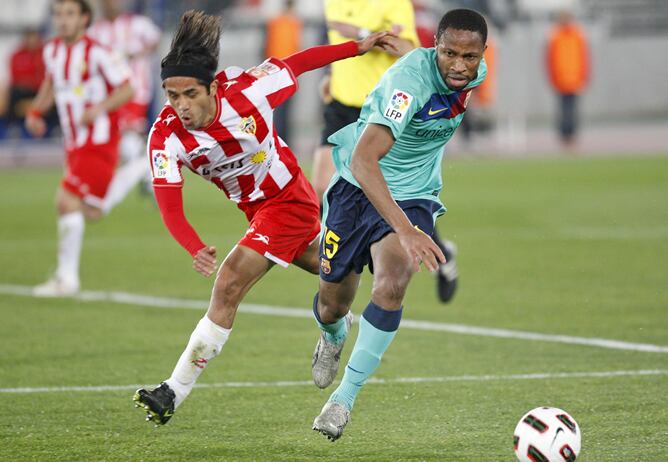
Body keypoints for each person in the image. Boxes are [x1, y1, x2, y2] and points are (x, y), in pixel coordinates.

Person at [132, 10, 396, 426]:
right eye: (171, 95)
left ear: (213, 87)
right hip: (255, 208)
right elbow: (168, 200)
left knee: (230, 280)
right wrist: (192, 245)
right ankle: (336, 323)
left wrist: (355, 48)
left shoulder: (248, 91)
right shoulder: (165, 137)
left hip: (289, 198)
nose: (181, 105)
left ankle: (172, 390)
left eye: (190, 94)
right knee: (329, 266)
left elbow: (300, 62)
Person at [310, 9, 488, 441]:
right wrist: (406, 231)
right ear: (437, 49)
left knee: (393, 282)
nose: (460, 66)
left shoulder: (474, 72)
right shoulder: (407, 88)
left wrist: (408, 227)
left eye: (469, 55)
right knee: (332, 303)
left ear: (483, 53)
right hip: (357, 187)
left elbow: (428, 56)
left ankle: (342, 401)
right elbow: (363, 160)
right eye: (449, 54)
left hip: (414, 194)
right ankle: (333, 333)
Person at [314, 0, 459, 304]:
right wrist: (330, 73)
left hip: (381, 107)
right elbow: (339, 35)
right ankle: (339, 267)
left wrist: (369, 36)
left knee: (396, 192)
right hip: (341, 103)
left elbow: (409, 48)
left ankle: (440, 251)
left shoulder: (393, 2)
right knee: (323, 186)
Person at [25, 0, 133, 296]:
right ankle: (138, 170)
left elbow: (128, 88)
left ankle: (67, 280)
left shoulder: (98, 52)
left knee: (65, 201)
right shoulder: (52, 51)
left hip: (98, 141)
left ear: (84, 18)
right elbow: (51, 84)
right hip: (72, 143)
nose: (62, 21)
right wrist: (35, 111)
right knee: (90, 210)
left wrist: (99, 108)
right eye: (58, 15)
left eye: (69, 14)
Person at [89, 0, 162, 213]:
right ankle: (149, 176)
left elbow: (155, 41)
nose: (110, 5)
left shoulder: (137, 23)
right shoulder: (96, 30)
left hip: (136, 90)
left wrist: (137, 53)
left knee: (130, 136)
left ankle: (146, 180)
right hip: (108, 93)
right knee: (129, 141)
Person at [546, 10, 589, 148]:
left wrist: (583, 77)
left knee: (572, 109)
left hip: (575, 78)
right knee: (564, 109)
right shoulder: (555, 37)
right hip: (561, 79)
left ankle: (571, 134)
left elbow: (584, 58)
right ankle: (564, 135)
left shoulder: (577, 36)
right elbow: (550, 60)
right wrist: (553, 78)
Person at [263, 0, 302, 145]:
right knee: (279, 109)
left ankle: (281, 139)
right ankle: (278, 139)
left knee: (282, 109)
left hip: (282, 69)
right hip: (282, 70)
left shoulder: (289, 23)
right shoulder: (282, 23)